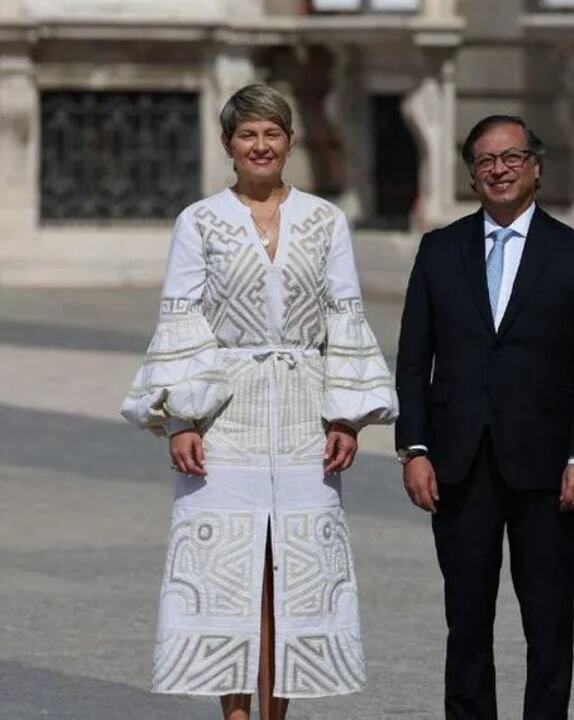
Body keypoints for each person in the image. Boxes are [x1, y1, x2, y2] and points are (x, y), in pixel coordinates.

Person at [120, 83, 397, 720]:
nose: (261, 145)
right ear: (228, 146)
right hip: (225, 416)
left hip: (303, 414)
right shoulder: (200, 220)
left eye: (272, 133)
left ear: (289, 142)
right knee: (228, 574)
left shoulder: (325, 220)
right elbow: (182, 316)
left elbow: (343, 314)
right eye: (248, 134)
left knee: (293, 577)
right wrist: (181, 420)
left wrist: (346, 415)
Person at [395, 114, 574, 720]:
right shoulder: (439, 250)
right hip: (458, 464)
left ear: (536, 167)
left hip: (548, 470)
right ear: (472, 175)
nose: (499, 170)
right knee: (466, 619)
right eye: (485, 161)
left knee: (548, 623)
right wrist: (413, 448)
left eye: (512, 157)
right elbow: (414, 359)